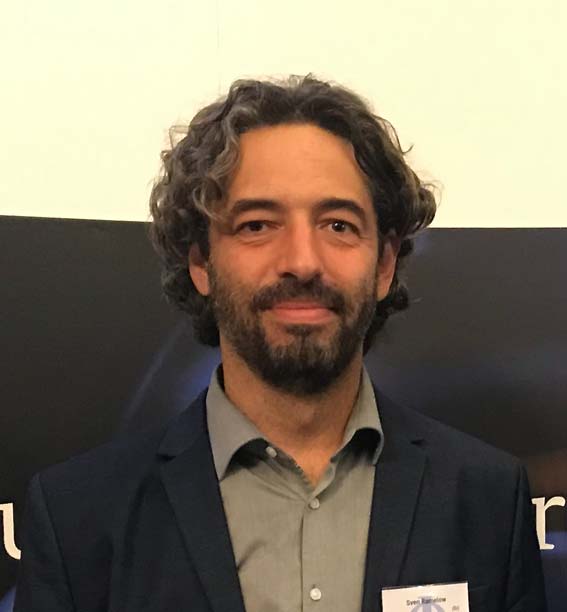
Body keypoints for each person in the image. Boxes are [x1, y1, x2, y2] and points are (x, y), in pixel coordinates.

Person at [15, 76, 546, 612]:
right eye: (257, 225)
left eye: (338, 224)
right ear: (201, 262)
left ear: (384, 264)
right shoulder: (77, 517)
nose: (302, 261)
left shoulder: (486, 497)